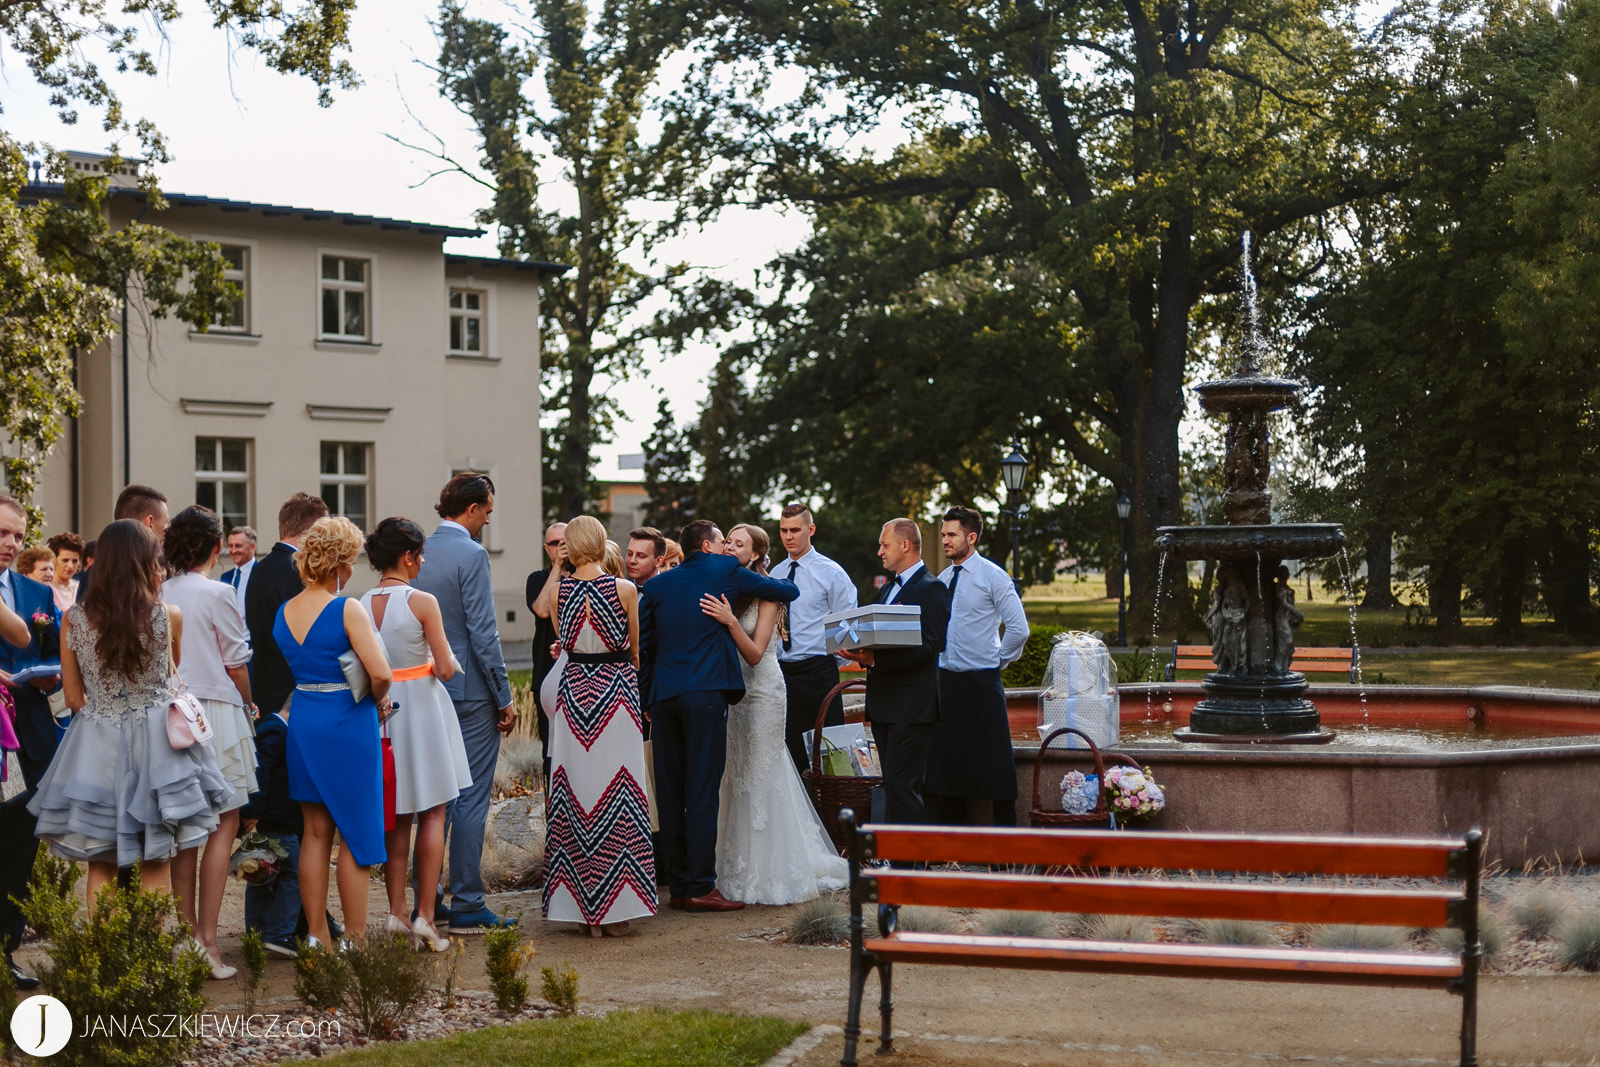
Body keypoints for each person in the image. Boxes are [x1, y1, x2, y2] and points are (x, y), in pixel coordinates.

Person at [28, 520, 232, 904]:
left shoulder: (74, 618)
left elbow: (72, 697)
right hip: (158, 743)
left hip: (97, 739)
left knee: (100, 860)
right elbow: (172, 674)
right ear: (146, 561)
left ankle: (108, 957)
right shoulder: (168, 615)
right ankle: (149, 958)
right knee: (157, 858)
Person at [638, 519, 798, 913]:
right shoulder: (725, 570)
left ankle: (676, 886)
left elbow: (645, 648)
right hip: (705, 694)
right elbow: (787, 590)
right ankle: (700, 887)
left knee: (671, 794)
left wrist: (645, 701)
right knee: (703, 790)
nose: (727, 548)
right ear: (708, 547)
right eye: (722, 542)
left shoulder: (656, 585)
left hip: (663, 698)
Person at [700, 523, 845, 904]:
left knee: (762, 770)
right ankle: (730, 865)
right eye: (727, 541)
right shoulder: (728, 587)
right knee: (735, 771)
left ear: (757, 554)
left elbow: (754, 651)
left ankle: (771, 867)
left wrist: (730, 619)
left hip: (763, 691)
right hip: (735, 695)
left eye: (739, 543)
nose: (730, 547)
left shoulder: (768, 595)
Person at [274, 517, 394, 949]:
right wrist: (376, 698)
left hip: (305, 718)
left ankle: (318, 938)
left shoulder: (283, 613)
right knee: (358, 832)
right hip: (347, 719)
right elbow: (380, 673)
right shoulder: (347, 608)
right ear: (341, 563)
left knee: (314, 833)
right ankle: (357, 941)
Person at [411, 472, 518, 934]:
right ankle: (470, 903)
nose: (488, 522)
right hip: (471, 689)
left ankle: (427, 901)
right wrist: (505, 695)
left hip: (427, 688)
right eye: (488, 513)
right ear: (471, 509)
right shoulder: (472, 554)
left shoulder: (417, 551)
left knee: (434, 797)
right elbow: (483, 632)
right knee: (470, 796)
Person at [541, 515, 656, 936]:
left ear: (570, 545)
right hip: (616, 697)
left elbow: (566, 645)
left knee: (577, 793)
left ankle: (581, 909)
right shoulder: (625, 589)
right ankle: (615, 908)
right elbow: (635, 651)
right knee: (620, 794)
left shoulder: (558, 592)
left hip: (574, 697)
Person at [360, 518, 469, 953]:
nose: (422, 562)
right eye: (420, 555)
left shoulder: (361, 602)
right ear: (408, 557)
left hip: (384, 709)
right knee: (434, 811)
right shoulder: (422, 601)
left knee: (398, 814)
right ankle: (426, 915)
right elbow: (444, 668)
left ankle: (395, 912)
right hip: (422, 708)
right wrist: (445, 662)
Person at [163, 506, 257, 979]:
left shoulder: (157, 592)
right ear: (216, 548)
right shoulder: (221, 591)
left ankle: (185, 940)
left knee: (183, 829)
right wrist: (250, 703)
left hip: (171, 714)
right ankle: (208, 941)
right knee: (223, 823)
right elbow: (236, 661)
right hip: (216, 711)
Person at [838, 519, 950, 827]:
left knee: (903, 786)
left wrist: (874, 660)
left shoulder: (933, 589)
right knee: (893, 785)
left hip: (913, 706)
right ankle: (898, 858)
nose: (879, 552)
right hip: (885, 704)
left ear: (905, 545)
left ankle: (909, 864)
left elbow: (931, 648)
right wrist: (859, 650)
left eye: (884, 545)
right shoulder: (887, 588)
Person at [924, 507, 1028, 829]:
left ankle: (1004, 853)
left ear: (971, 537)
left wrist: (997, 661)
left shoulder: (993, 576)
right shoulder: (941, 580)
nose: (945, 540)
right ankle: (952, 848)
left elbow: (1018, 628)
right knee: (946, 767)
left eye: (951, 534)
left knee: (995, 765)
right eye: (943, 534)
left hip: (981, 685)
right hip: (945, 685)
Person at [0, 497, 59, 989]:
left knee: (17, 850)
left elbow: (53, 654)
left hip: (27, 736)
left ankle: (6, 952)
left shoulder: (32, 593)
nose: (10, 543)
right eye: (2, 533)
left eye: (17, 536)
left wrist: (47, 680)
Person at [775, 504, 858, 773]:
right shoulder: (775, 574)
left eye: (795, 530)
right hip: (782, 674)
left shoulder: (831, 573)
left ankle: (830, 812)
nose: (789, 536)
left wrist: (831, 664)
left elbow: (847, 623)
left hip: (818, 672)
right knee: (789, 752)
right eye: (783, 530)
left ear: (810, 530)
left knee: (827, 750)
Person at [246, 494, 330, 718]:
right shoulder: (300, 571)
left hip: (264, 687)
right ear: (312, 531)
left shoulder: (259, 569)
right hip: (293, 694)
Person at [524, 522, 568, 789]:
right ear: (547, 548)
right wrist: (556, 569)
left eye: (566, 541)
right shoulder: (538, 578)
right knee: (549, 752)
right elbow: (541, 609)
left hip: (578, 676)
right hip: (546, 674)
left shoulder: (584, 576)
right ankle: (553, 817)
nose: (561, 547)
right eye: (555, 543)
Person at [75, 484, 169, 602]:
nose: (167, 530)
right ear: (149, 521)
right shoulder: (155, 571)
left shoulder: (95, 572)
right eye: (166, 522)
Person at [222, 526, 258, 624]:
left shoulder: (262, 574)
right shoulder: (225, 577)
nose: (233, 551)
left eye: (238, 546)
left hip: (252, 638)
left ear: (253, 547)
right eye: (230, 546)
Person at [47, 532, 84, 615]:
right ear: (53, 560)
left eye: (75, 561)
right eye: (65, 560)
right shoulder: (46, 589)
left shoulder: (81, 587)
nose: (70, 566)